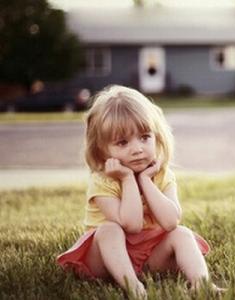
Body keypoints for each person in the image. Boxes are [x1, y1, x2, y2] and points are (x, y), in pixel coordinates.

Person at [57, 85, 221, 298]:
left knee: (182, 234)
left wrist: (145, 180)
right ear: (101, 149)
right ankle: (133, 287)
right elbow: (132, 225)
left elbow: (171, 221)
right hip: (108, 259)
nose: (137, 149)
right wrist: (127, 178)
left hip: (148, 257)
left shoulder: (161, 175)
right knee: (109, 230)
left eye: (144, 137)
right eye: (123, 142)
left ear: (157, 136)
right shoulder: (103, 181)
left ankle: (202, 284)